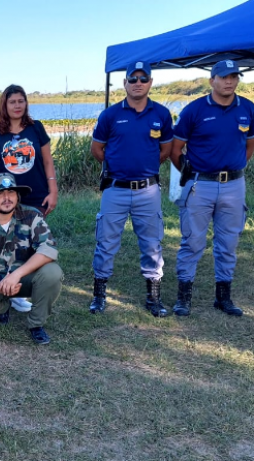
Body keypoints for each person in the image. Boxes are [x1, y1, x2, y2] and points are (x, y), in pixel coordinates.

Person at [170, 60, 254, 317]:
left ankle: (223, 298)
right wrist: (190, 172)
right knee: (192, 241)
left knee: (228, 243)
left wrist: (234, 167)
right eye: (224, 77)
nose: (229, 81)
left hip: (234, 185)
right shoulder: (195, 110)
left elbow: (249, 145)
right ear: (212, 80)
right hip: (200, 184)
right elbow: (176, 150)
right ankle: (183, 298)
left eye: (234, 76)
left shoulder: (248, 108)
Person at [89, 61, 173, 317]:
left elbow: (166, 151)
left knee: (152, 243)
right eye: (132, 79)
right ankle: (99, 296)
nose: (138, 83)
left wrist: (142, 168)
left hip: (148, 190)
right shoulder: (110, 115)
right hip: (115, 189)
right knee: (106, 242)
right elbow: (97, 150)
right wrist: (120, 166)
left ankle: (153, 298)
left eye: (143, 79)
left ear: (150, 83)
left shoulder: (161, 114)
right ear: (124, 83)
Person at [0, 85, 58, 313]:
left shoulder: (36, 128)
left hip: (35, 196)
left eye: (21, 101)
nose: (17, 105)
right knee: (7, 245)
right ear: (4, 105)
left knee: (33, 247)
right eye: (12, 101)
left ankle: (28, 289)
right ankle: (7, 293)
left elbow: (47, 162)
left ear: (26, 103)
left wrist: (53, 191)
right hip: (6, 198)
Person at [0, 173, 62, 345]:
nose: (6, 198)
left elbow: (48, 249)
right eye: (0, 194)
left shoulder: (32, 216)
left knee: (53, 272)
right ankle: (3, 305)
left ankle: (36, 324)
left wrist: (16, 275)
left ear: (17, 196)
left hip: (25, 278)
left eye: (11, 192)